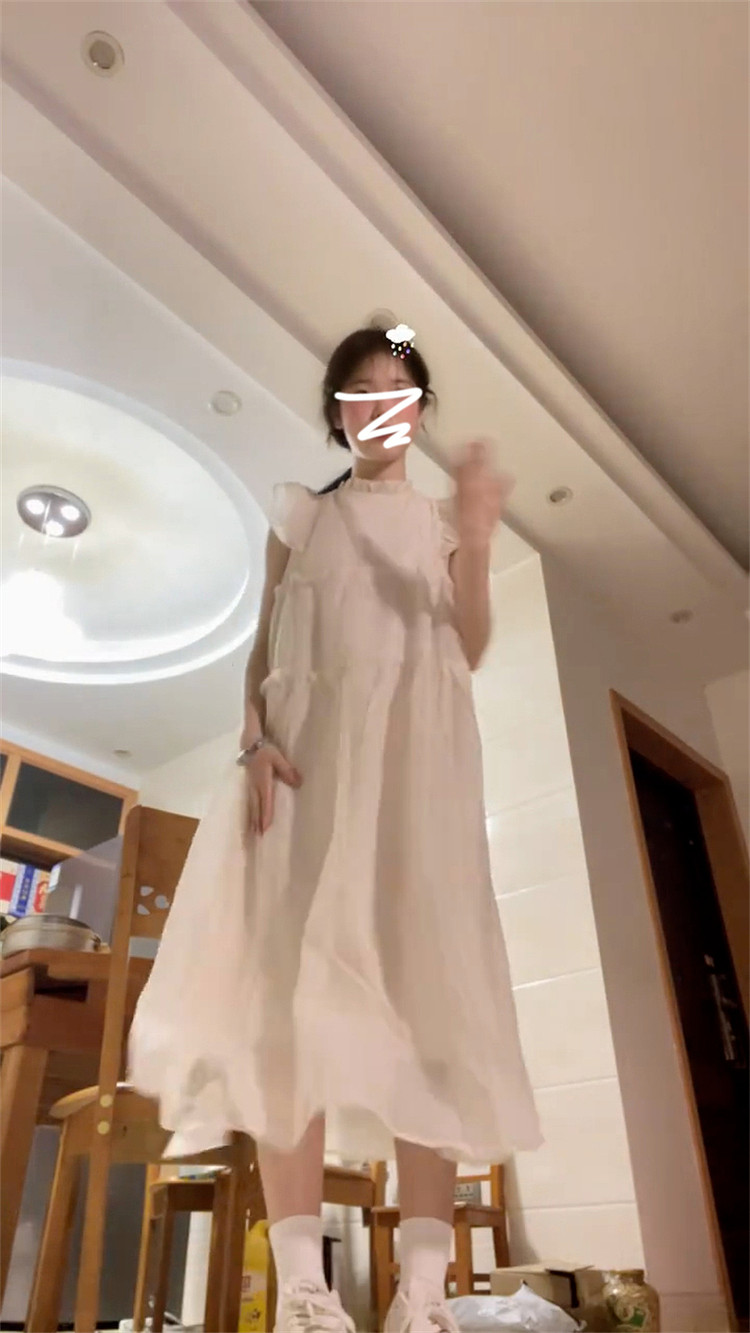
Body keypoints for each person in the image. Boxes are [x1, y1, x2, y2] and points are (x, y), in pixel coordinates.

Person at [130, 323, 541, 1333]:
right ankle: (305, 1295)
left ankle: (423, 1297)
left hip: (416, 781)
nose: (380, 404)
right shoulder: (301, 517)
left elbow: (469, 643)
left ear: (419, 410)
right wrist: (252, 739)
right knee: (286, 1013)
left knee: (429, 1008)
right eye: (362, 388)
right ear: (338, 410)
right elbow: (262, 646)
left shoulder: (441, 524)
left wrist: (479, 535)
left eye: (400, 388)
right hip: (303, 778)